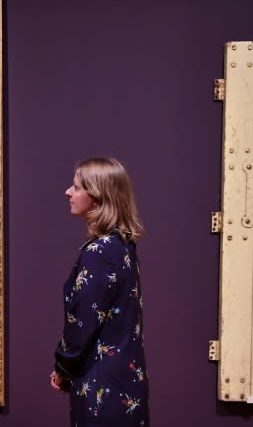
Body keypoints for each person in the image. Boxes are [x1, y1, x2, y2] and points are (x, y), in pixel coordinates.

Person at [50, 157, 150, 426]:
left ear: (97, 196)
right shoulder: (123, 246)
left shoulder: (99, 253)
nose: (68, 192)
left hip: (101, 387)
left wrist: (63, 367)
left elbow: (82, 322)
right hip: (126, 381)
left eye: (76, 187)